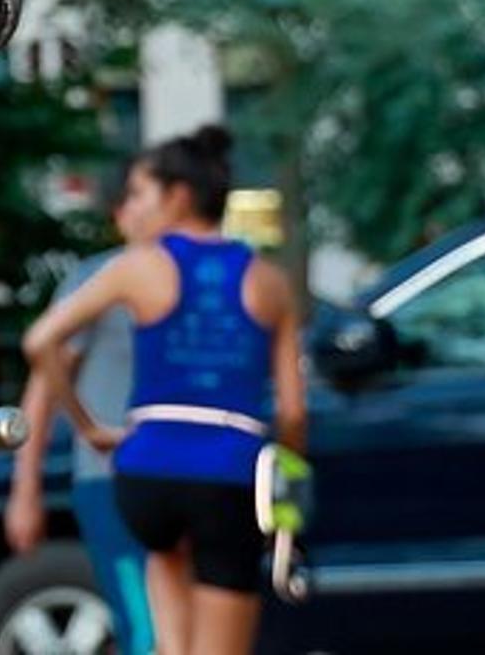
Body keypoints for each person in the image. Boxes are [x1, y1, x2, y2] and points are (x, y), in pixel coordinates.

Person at [23, 126, 306, 655]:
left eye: (138, 194)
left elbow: (40, 340)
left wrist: (88, 428)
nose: (128, 209)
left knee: (167, 634)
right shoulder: (269, 281)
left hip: (146, 470)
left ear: (177, 196)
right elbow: (293, 413)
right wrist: (286, 474)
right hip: (229, 473)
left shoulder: (137, 268)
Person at [6, 164, 167, 655]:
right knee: (145, 628)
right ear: (121, 215)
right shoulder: (97, 279)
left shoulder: (200, 279)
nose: (160, 206)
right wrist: (25, 488)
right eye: (142, 196)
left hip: (183, 477)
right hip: (109, 480)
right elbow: (43, 383)